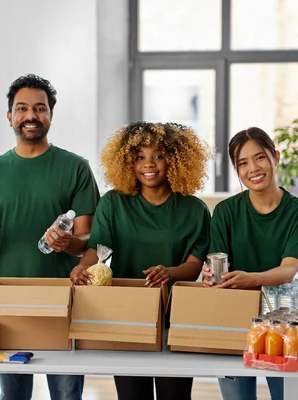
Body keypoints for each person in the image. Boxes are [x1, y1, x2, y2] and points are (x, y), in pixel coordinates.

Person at [0, 74, 100, 400]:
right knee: (13, 395)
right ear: (10, 116)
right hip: (8, 301)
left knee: (66, 395)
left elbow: (87, 241)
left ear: (50, 114)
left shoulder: (75, 168)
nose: (30, 116)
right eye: (21, 108)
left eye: (40, 108)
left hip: (64, 300)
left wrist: (68, 243)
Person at [70, 121, 212, 400]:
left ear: (175, 159)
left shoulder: (194, 209)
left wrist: (170, 273)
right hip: (127, 315)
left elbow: (195, 266)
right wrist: (81, 268)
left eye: (159, 155)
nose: (150, 164)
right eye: (140, 157)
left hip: (176, 316)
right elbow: (98, 248)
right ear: (127, 162)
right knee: (132, 395)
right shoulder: (113, 203)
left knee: (176, 395)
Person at [202, 127, 298, 400]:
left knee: (287, 395)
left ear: (275, 157)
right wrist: (209, 276)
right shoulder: (226, 211)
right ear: (236, 170)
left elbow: (288, 271)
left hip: (284, 321)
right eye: (242, 163)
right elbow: (217, 265)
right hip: (233, 317)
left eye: (260, 157)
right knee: (237, 397)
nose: (253, 168)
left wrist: (249, 279)